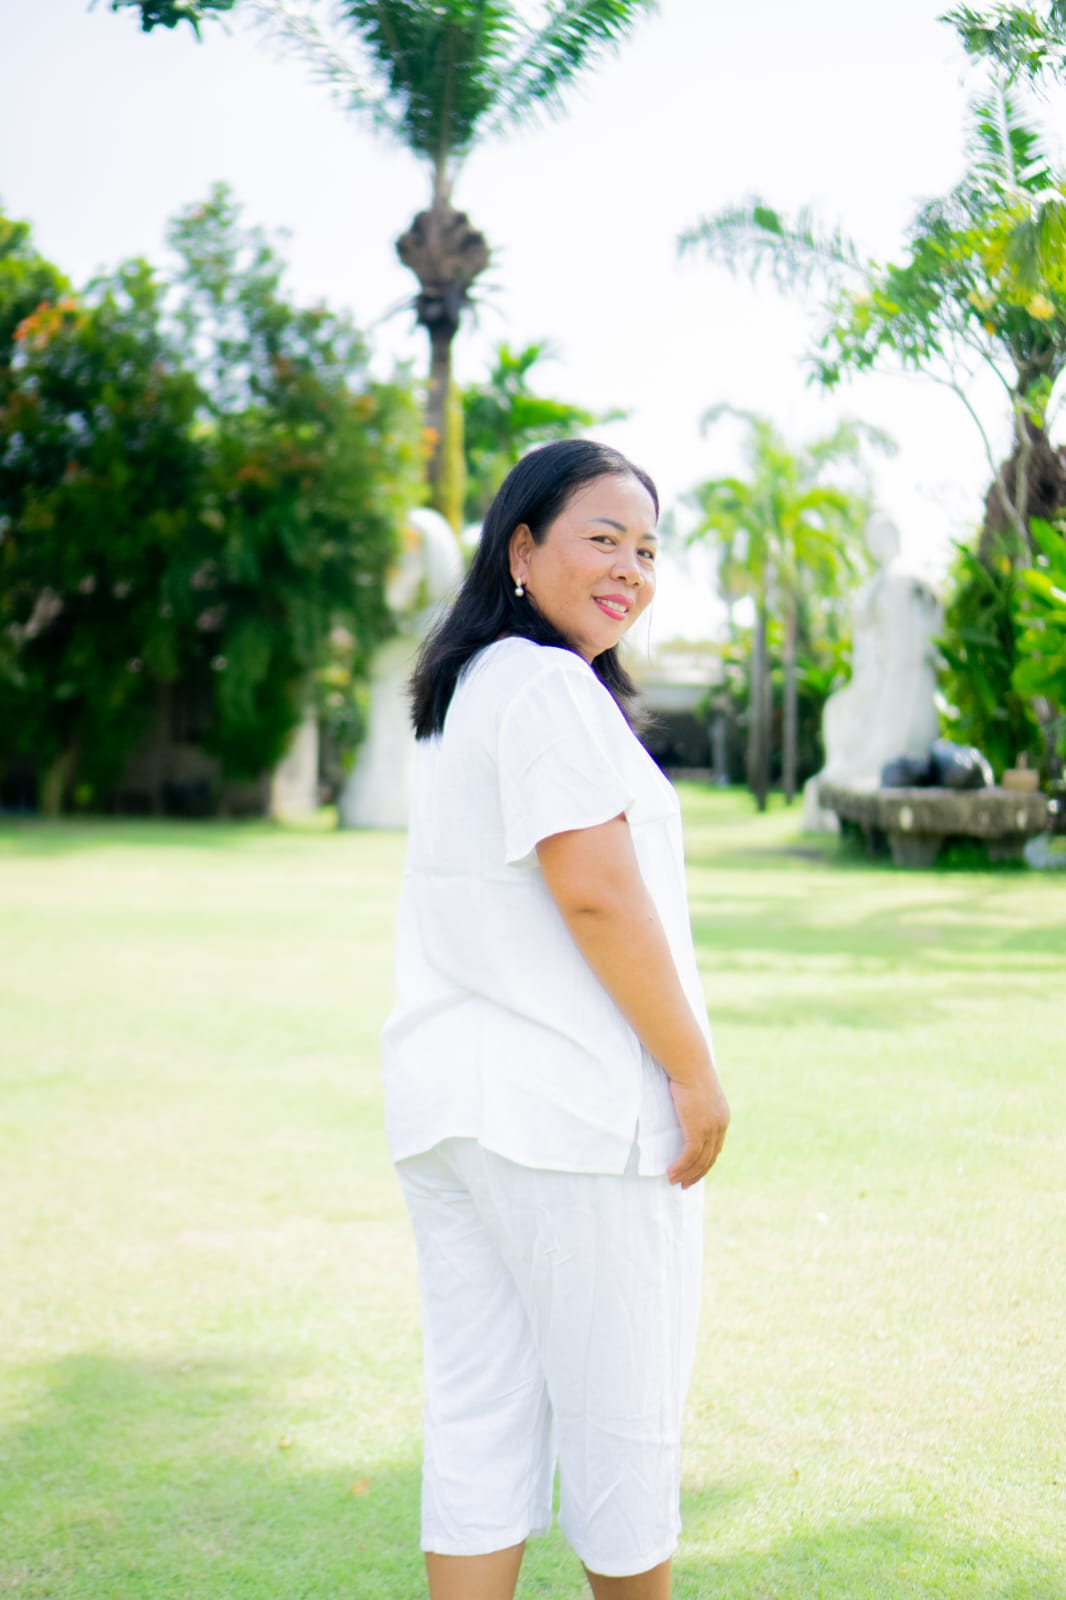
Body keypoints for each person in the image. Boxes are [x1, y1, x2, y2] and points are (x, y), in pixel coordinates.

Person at [381, 439, 730, 1600]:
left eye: (648, 549)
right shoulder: (543, 686)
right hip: (572, 1121)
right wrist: (693, 1073)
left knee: (480, 1424)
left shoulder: (470, 691)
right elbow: (596, 892)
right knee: (623, 1428)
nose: (631, 568)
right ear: (520, 550)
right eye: (603, 538)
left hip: (457, 1113)